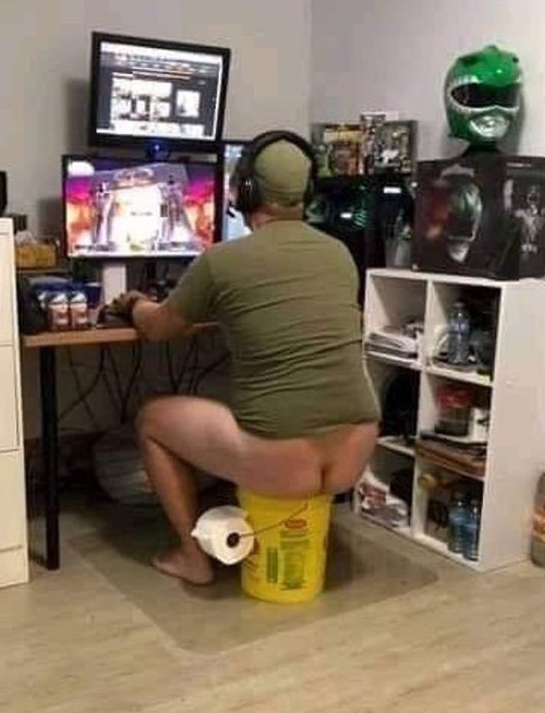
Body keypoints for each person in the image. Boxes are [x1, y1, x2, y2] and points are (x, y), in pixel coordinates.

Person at [113, 131, 380, 585]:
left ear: (244, 191)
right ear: (306, 192)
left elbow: (157, 329)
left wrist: (134, 303)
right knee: (240, 398)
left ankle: (193, 559)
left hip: (283, 461)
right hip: (354, 452)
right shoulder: (339, 254)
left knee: (152, 419)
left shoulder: (222, 261)